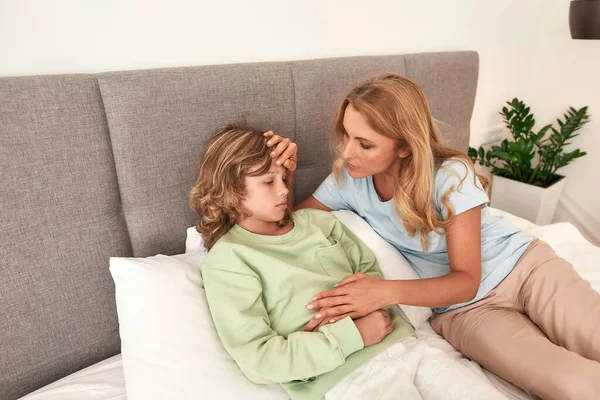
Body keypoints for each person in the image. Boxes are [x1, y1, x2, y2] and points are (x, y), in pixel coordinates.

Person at [268, 72, 600, 400]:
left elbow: (467, 278)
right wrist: (284, 174)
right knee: (574, 386)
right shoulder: (347, 180)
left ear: (403, 146)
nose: (347, 153)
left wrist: (382, 293)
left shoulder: (450, 175)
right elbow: (284, 227)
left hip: (525, 269)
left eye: (365, 144)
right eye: (346, 136)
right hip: (465, 312)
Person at [189, 124, 507, 400]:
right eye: (268, 182)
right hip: (349, 377)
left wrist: (373, 314)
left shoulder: (319, 223)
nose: (285, 189)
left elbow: (369, 276)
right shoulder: (229, 261)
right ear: (230, 192)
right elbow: (260, 359)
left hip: (408, 346)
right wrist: (354, 333)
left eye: (284, 177)